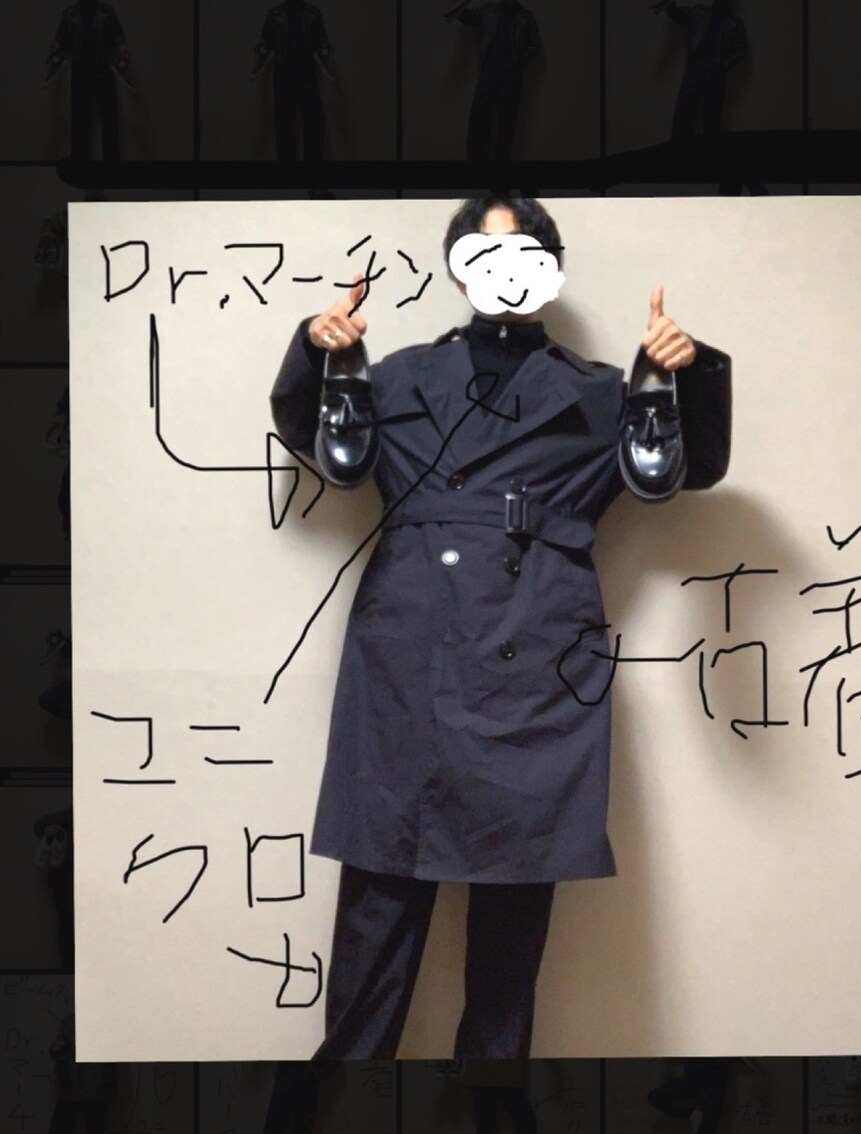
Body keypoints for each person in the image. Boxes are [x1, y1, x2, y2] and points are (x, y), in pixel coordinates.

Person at [270, 195, 732, 1063]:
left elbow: (689, 469)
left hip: (538, 661)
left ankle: (489, 1120)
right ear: (457, 273)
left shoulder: (601, 389)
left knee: (509, 950)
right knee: (377, 914)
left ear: (551, 268)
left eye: (521, 253)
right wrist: (318, 351)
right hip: (410, 651)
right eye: (482, 256)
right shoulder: (396, 375)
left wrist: (685, 372)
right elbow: (319, 443)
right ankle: (338, 1120)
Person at [444, 0, 541, 160]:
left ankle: (501, 166)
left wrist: (518, 65)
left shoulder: (526, 16)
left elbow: (534, 45)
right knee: (478, 118)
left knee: (507, 122)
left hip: (512, 73)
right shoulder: (488, 10)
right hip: (489, 70)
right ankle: (476, 163)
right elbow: (466, 17)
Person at [45, 0, 132, 160]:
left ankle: (112, 165)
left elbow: (118, 35)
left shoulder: (106, 11)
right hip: (80, 72)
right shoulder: (70, 14)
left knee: (110, 119)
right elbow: (61, 38)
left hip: (104, 70)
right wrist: (56, 45)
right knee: (79, 119)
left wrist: (122, 47)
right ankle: (79, 163)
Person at [251, 0, 336, 161]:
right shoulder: (275, 15)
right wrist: (257, 64)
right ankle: (287, 168)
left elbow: (322, 43)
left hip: (307, 73)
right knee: (284, 125)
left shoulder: (313, 14)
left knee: (315, 123)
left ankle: (313, 166)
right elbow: (265, 43)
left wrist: (328, 64)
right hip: (283, 74)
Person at [653, 0, 748, 138]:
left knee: (711, 118)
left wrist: (722, 66)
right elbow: (679, 15)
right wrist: (670, 6)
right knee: (683, 114)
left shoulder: (735, 22)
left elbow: (742, 49)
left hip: (715, 71)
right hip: (695, 66)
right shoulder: (700, 11)